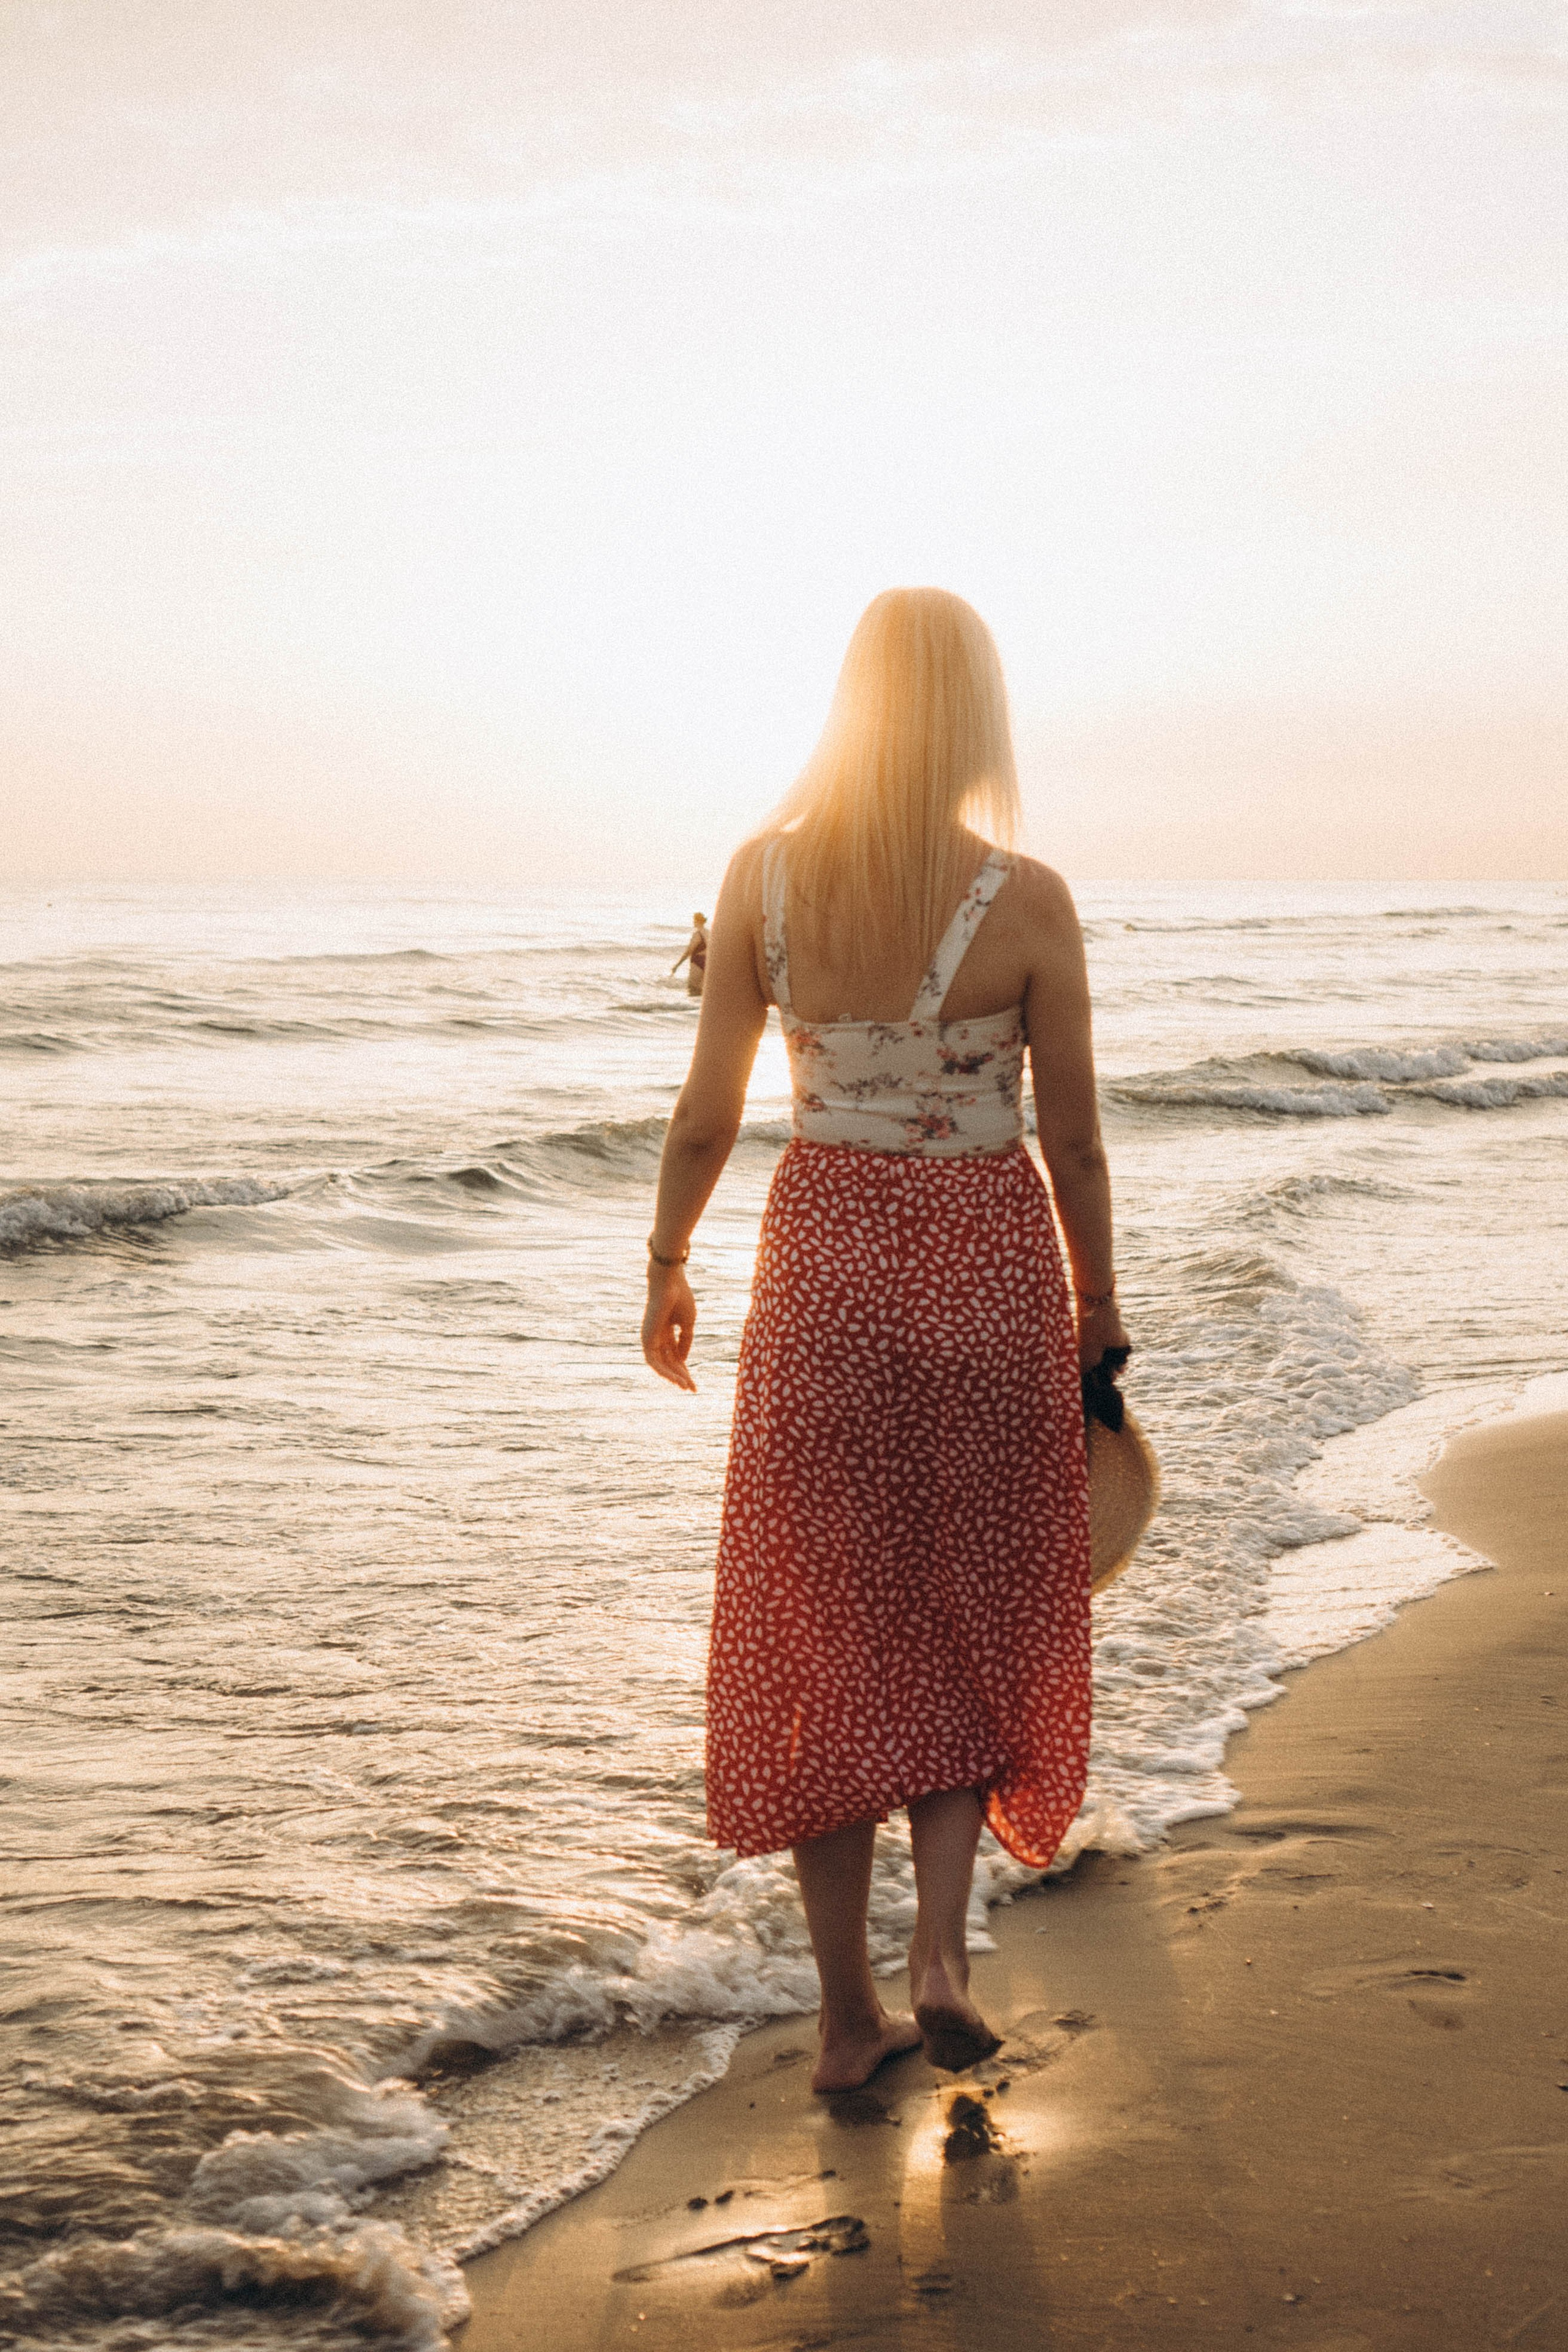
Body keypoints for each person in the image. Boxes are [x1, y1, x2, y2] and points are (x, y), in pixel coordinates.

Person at [642, 588, 1128, 2094]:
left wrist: (664, 1263)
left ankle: (849, 2015)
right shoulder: (1028, 898)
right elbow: (1075, 1142)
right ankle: (942, 1954)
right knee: (970, 1606)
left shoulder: (764, 880)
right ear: (975, 718)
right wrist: (1096, 1309)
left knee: (822, 1628)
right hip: (983, 1273)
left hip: (825, 1283)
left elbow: (709, 1112)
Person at [670, 913, 709, 997]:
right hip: (707, 962)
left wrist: (677, 965)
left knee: (693, 987)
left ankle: (693, 1006)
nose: (693, 923)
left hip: (697, 962)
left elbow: (689, 952)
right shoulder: (709, 933)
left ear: (697, 921)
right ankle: (697, 1007)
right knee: (701, 989)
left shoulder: (697, 935)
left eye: (694, 921)